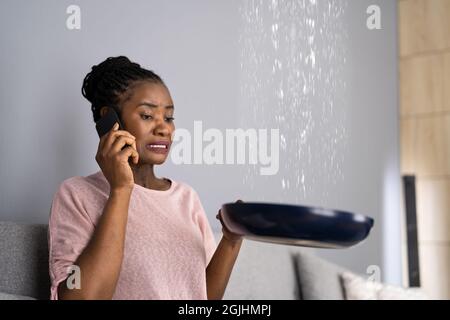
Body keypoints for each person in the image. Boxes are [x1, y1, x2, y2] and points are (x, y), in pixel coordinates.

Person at [48, 56, 243, 300]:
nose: (164, 128)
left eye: (169, 117)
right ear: (110, 120)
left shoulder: (186, 198)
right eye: (148, 116)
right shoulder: (76, 194)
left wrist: (231, 240)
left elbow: (201, 298)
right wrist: (120, 189)